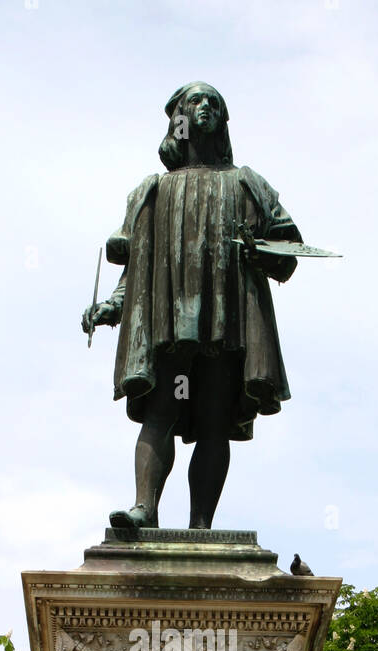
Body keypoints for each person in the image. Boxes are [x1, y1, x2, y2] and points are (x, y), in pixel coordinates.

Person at [82, 81, 302, 531]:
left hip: (225, 328)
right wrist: (113, 307)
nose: (205, 108)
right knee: (162, 408)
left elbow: (287, 250)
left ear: (223, 121)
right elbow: (137, 268)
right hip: (168, 323)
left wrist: (263, 253)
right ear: (178, 120)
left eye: (214, 103)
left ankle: (201, 527)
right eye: (195, 102)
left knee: (214, 419)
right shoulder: (153, 191)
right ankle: (146, 507)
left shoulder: (246, 183)